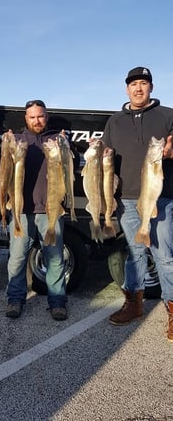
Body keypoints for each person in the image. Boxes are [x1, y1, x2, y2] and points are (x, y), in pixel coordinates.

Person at [103, 66, 173, 341]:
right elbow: (107, 157)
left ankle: (172, 309)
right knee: (134, 255)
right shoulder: (115, 121)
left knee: (164, 256)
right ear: (127, 89)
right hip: (128, 200)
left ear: (151, 87)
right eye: (134, 84)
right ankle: (134, 304)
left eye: (144, 83)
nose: (139, 88)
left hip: (162, 198)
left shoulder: (167, 115)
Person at [0, 100, 74, 321]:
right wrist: (4, 149)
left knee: (55, 259)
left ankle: (58, 302)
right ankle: (15, 299)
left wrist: (66, 147)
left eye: (40, 116)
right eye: (32, 117)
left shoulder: (56, 140)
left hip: (51, 210)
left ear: (46, 116)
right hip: (22, 211)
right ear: (26, 118)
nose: (37, 120)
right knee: (17, 258)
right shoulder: (19, 141)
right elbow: (0, 168)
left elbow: (73, 165)